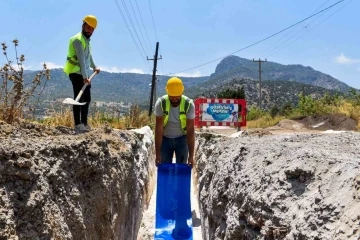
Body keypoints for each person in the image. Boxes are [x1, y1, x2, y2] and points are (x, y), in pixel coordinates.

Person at [63, 15, 100, 133]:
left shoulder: (86, 41)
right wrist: (85, 77)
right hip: (76, 73)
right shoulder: (78, 40)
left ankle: (84, 123)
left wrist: (94, 67)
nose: (90, 30)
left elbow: (88, 56)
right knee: (78, 99)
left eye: (92, 29)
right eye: (88, 27)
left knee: (87, 98)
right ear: (83, 26)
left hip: (84, 74)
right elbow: (81, 60)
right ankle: (78, 124)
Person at [154, 77, 195, 167]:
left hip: (182, 140)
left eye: (177, 97)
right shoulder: (161, 103)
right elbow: (158, 129)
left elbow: (190, 130)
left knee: (181, 168)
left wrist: (191, 155)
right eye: (172, 97)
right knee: (164, 168)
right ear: (167, 93)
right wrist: (157, 154)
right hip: (165, 140)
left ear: (181, 93)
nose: (174, 99)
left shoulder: (188, 104)